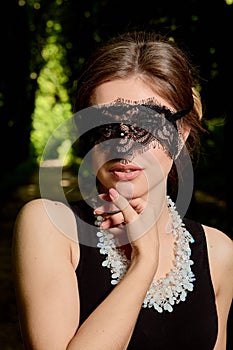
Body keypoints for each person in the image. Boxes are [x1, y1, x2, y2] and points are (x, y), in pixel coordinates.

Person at [12, 30, 233, 350]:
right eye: (104, 126)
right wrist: (144, 263)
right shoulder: (49, 227)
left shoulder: (219, 252)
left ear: (182, 132)